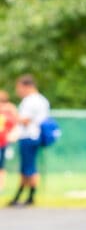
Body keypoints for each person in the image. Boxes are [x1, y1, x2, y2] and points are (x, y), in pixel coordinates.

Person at [9, 74, 50, 206]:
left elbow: (25, 120)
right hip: (35, 136)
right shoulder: (42, 100)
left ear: (26, 86)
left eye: (19, 88)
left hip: (29, 136)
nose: (18, 91)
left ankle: (27, 196)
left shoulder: (30, 101)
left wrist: (13, 114)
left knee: (28, 168)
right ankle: (25, 196)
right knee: (28, 167)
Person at [0, 89, 17, 192]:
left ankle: (1, 186)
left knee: (1, 165)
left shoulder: (9, 111)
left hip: (2, 143)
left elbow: (15, 124)